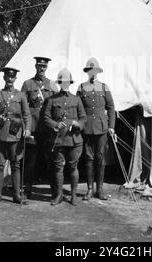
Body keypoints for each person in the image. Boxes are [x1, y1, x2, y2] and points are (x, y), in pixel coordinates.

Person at [0, 67, 31, 205]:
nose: (10, 79)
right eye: (8, 76)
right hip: (0, 134)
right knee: (0, 165)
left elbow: (26, 114)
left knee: (15, 165)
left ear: (15, 79)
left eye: (12, 77)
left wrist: (27, 129)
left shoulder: (21, 95)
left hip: (14, 134)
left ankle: (17, 195)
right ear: (4, 78)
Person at [43, 68, 86, 206]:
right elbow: (46, 117)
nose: (64, 84)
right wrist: (56, 124)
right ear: (59, 83)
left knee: (73, 167)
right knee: (58, 168)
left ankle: (73, 195)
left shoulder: (76, 99)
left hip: (74, 139)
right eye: (62, 82)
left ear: (70, 83)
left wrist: (77, 124)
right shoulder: (51, 100)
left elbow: (84, 118)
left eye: (67, 82)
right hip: (59, 139)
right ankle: (59, 195)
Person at [77, 57, 115, 201]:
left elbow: (111, 108)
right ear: (87, 72)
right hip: (87, 129)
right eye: (90, 70)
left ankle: (100, 190)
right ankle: (89, 189)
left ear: (98, 72)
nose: (92, 73)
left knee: (100, 159)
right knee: (88, 159)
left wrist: (111, 126)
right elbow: (78, 108)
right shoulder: (81, 87)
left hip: (101, 128)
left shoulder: (104, 87)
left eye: (95, 70)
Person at [21, 57, 58, 198]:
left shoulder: (52, 85)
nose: (41, 68)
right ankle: (27, 190)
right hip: (33, 128)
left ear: (46, 68)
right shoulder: (27, 84)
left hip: (48, 129)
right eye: (39, 66)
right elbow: (23, 107)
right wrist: (26, 127)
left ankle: (54, 191)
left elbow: (56, 105)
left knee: (51, 160)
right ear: (35, 66)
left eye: (44, 66)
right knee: (30, 161)